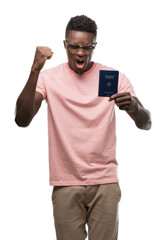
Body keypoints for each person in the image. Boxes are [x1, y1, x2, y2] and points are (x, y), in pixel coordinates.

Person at [15, 15, 151, 240]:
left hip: (105, 182)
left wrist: (134, 107)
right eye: (74, 47)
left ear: (94, 46)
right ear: (65, 45)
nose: (80, 53)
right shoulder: (48, 78)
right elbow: (22, 119)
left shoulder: (112, 77)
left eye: (87, 47)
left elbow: (146, 123)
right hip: (66, 182)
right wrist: (34, 70)